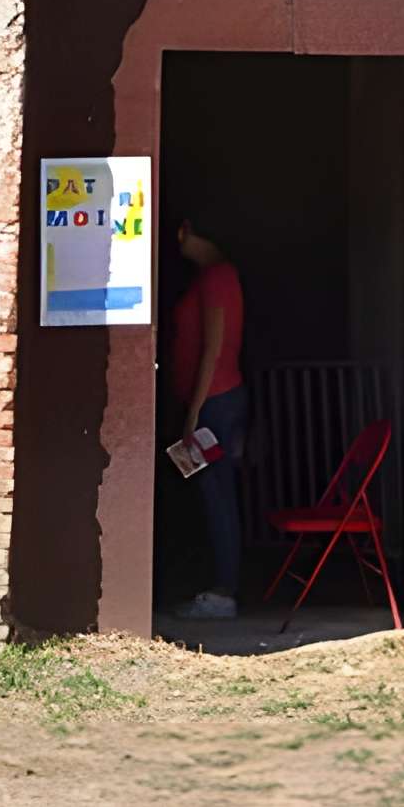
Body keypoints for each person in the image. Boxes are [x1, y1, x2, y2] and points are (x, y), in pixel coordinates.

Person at [166, 214, 247, 619]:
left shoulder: (217, 276)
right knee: (213, 495)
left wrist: (194, 412)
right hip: (215, 399)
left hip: (214, 402)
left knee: (217, 498)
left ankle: (224, 593)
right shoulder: (214, 276)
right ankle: (219, 587)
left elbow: (214, 348)